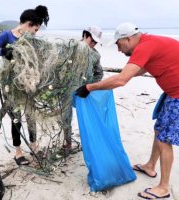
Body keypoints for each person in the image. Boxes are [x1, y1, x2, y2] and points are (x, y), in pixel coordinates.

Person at [75, 22, 179, 199]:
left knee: (164, 140)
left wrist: (90, 87)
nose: (118, 50)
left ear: (128, 39)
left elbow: (123, 80)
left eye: (118, 44)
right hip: (172, 92)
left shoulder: (145, 46)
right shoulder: (149, 43)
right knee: (159, 129)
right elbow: (137, 71)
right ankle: (150, 166)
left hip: (177, 94)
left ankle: (164, 188)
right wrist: (110, 81)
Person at [0, 5, 49, 165]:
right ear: (29, 24)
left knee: (32, 116)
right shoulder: (7, 35)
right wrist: (3, 51)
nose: (36, 33)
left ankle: (34, 145)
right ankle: (18, 152)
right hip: (11, 86)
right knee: (16, 118)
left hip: (28, 84)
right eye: (36, 29)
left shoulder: (31, 40)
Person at [62, 25, 103, 151]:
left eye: (96, 42)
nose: (93, 44)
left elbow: (99, 73)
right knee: (66, 117)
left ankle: (90, 143)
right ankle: (68, 144)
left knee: (86, 117)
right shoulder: (71, 48)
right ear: (85, 35)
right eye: (92, 40)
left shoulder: (95, 55)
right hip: (67, 90)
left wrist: (89, 87)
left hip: (83, 92)